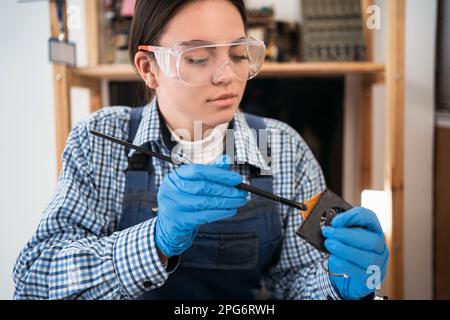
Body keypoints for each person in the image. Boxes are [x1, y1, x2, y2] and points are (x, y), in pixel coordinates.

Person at [13, 0, 389, 300]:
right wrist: (156, 240)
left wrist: (338, 284)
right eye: (197, 57)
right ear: (148, 68)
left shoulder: (284, 148)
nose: (226, 74)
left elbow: (296, 281)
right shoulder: (99, 140)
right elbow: (33, 282)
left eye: (239, 54)